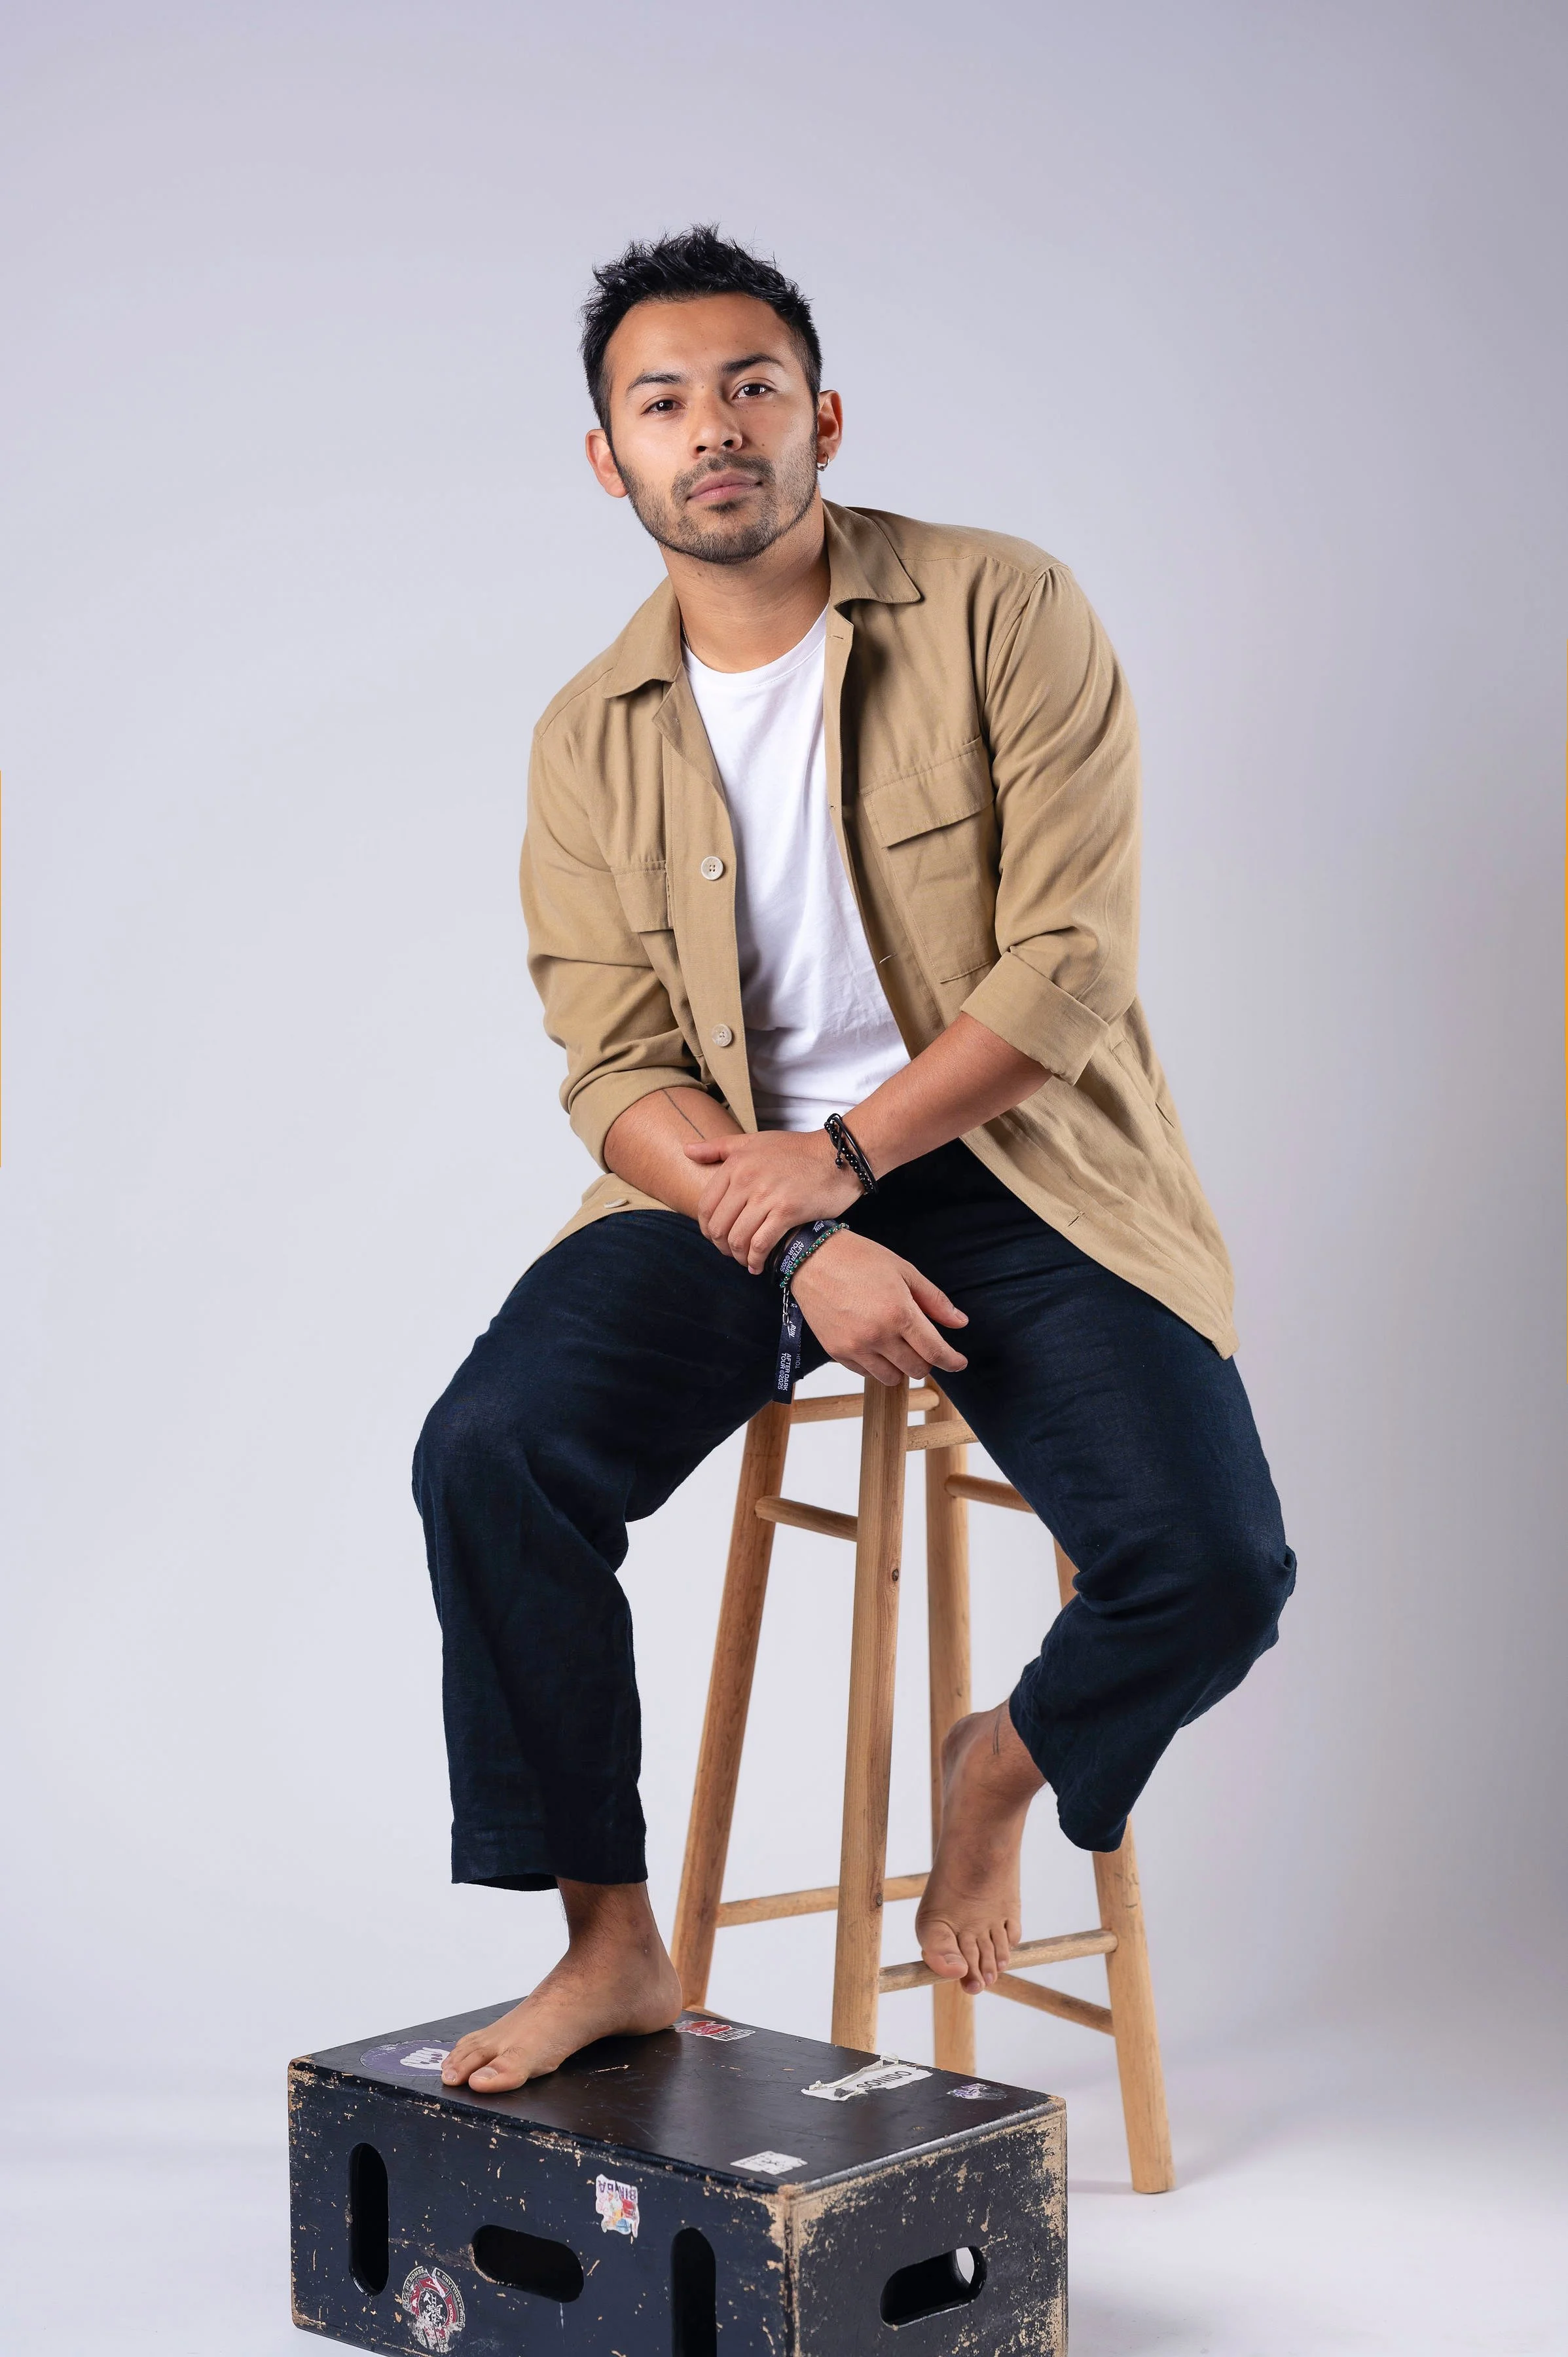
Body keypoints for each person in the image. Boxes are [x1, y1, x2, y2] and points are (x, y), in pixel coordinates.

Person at [416, 227, 1296, 2095]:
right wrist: (797, 1233)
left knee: (1214, 1565)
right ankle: (609, 1941)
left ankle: (1003, 1765)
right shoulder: (588, 736)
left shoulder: (1001, 606)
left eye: (752, 386)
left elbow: (1069, 966)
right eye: (664, 402)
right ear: (610, 461)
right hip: (733, 1188)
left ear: (821, 417)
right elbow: (614, 1064)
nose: (714, 428)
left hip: (1009, 1159)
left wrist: (848, 1160)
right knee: (492, 1454)